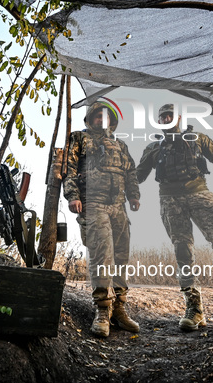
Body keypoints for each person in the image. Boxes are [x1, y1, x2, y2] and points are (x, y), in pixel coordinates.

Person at [136, 103, 213, 332]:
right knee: (183, 253)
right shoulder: (153, 147)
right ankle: (194, 309)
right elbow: (137, 177)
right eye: (162, 116)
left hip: (199, 194)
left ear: (179, 118)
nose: (166, 119)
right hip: (170, 200)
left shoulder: (198, 138)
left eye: (170, 115)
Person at [63, 101, 141, 338]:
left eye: (106, 117)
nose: (102, 120)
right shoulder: (78, 138)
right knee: (102, 254)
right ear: (90, 119)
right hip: (93, 203)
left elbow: (130, 172)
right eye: (97, 116)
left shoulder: (120, 144)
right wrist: (73, 195)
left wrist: (134, 195)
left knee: (120, 257)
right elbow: (69, 168)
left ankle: (119, 308)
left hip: (119, 207)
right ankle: (102, 311)